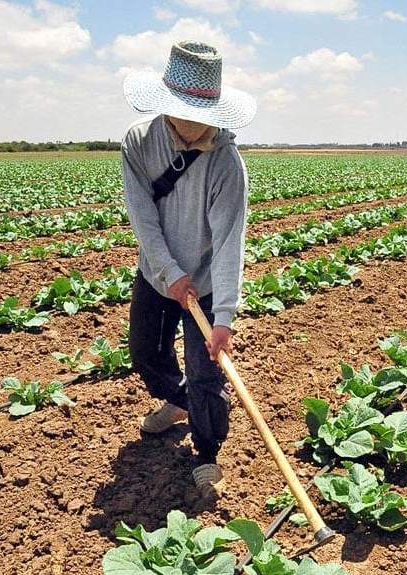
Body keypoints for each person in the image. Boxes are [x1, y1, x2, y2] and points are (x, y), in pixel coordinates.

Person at [120, 40, 257, 496]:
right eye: (182, 112)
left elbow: (227, 241)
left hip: (207, 282)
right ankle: (184, 404)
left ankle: (207, 452)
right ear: (164, 106)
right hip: (158, 274)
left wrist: (224, 319)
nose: (193, 125)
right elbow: (142, 216)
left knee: (205, 372)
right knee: (145, 355)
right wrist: (168, 273)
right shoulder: (139, 142)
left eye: (202, 115)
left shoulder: (226, 163)